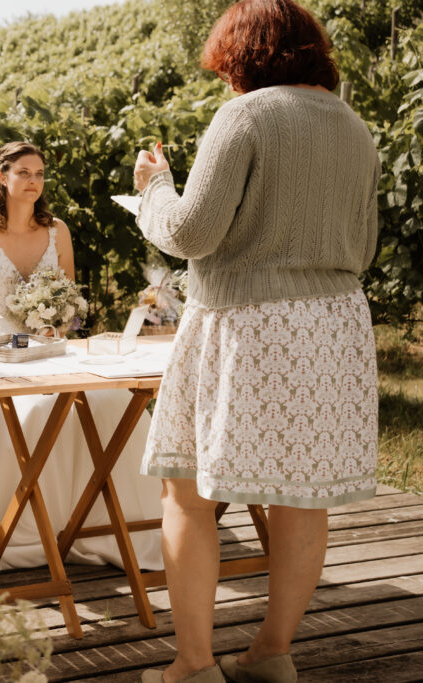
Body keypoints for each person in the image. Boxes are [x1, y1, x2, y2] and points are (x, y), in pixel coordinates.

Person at [132, 2, 380, 681]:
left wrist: (155, 186)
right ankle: (272, 653)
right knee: (301, 499)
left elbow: (190, 234)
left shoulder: (245, 116)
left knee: (187, 492)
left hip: (246, 324)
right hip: (333, 324)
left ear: (245, 55)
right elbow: (364, 244)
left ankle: (193, 664)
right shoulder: (355, 128)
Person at [0, 141, 164, 571]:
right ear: (2, 177)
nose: (33, 181)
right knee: (36, 412)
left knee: (115, 402)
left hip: (49, 348)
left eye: (39, 174)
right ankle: (21, 528)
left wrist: (54, 325)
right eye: (24, 172)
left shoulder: (57, 231)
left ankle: (105, 525)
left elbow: (69, 300)